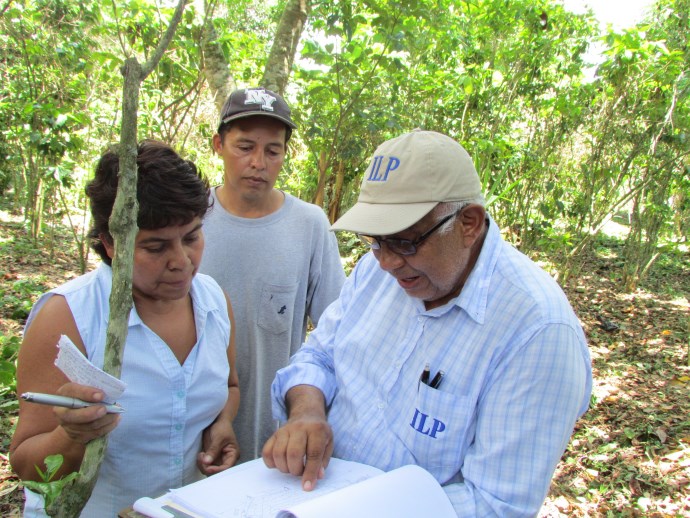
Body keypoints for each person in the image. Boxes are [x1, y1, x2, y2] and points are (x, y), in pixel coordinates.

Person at [262, 129, 593, 516]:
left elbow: (494, 506)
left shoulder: (537, 332)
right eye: (376, 239)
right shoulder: (377, 269)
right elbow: (319, 356)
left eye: (405, 242)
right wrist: (307, 413)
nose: (385, 261)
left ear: (468, 223)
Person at [10, 140, 240, 517]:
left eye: (192, 237)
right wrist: (71, 436)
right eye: (155, 247)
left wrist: (221, 422)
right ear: (110, 243)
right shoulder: (69, 317)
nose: (181, 262)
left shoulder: (214, 303)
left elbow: (230, 384)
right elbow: (25, 464)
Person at [199, 87, 346, 461]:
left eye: (272, 150)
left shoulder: (309, 225)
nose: (258, 162)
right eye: (244, 147)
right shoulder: (190, 221)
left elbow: (338, 331)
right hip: (194, 432)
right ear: (218, 144)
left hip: (275, 440)